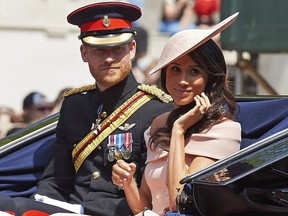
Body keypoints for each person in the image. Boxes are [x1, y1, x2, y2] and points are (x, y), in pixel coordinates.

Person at [0, 1, 173, 216]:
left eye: (117, 49)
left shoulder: (156, 109)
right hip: (70, 209)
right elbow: (56, 179)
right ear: (84, 53)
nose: (109, 58)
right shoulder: (74, 104)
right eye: (99, 51)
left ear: (132, 49)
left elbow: (157, 194)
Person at [111, 12, 241, 215]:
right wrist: (128, 183)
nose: (182, 80)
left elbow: (179, 203)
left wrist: (179, 130)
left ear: (210, 77)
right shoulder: (159, 123)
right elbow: (145, 206)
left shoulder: (224, 130)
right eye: (175, 69)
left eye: (194, 71)